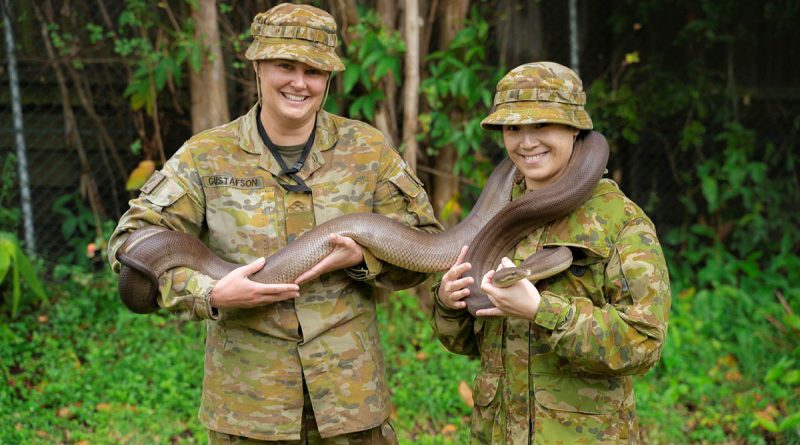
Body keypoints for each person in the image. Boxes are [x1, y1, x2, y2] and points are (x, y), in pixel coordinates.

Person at [108, 3, 441, 444]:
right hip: (248, 408)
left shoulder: (368, 149)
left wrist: (365, 257)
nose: (300, 82)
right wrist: (211, 293)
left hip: (351, 404)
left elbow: (428, 247)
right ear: (258, 65)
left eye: (315, 70)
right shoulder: (206, 155)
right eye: (286, 65)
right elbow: (129, 245)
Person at [431, 62, 671, 444]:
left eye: (542, 126)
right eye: (513, 128)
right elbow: (464, 343)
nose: (526, 143)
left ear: (575, 128)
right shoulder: (498, 216)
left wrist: (541, 310)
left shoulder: (620, 221)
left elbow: (643, 344)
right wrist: (448, 302)